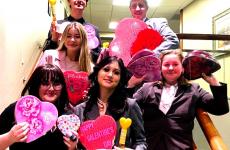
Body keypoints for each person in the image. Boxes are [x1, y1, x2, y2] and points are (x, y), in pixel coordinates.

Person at [133, 49, 229, 149]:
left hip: (181, 147)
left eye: (175, 64)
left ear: (182, 68)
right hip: (151, 146)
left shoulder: (194, 89)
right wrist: (131, 84)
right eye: (166, 64)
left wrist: (214, 83)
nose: (170, 68)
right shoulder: (147, 88)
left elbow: (221, 109)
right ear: (160, 68)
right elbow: (128, 107)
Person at [73, 56, 147, 149]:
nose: (110, 75)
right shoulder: (79, 110)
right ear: (97, 73)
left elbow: (141, 141)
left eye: (116, 72)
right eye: (106, 69)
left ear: (121, 78)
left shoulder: (130, 106)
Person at [0, 64, 77, 150]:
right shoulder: (20, 108)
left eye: (56, 83)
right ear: (36, 85)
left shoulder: (67, 117)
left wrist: (73, 148)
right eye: (45, 83)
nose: (51, 88)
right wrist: (9, 138)